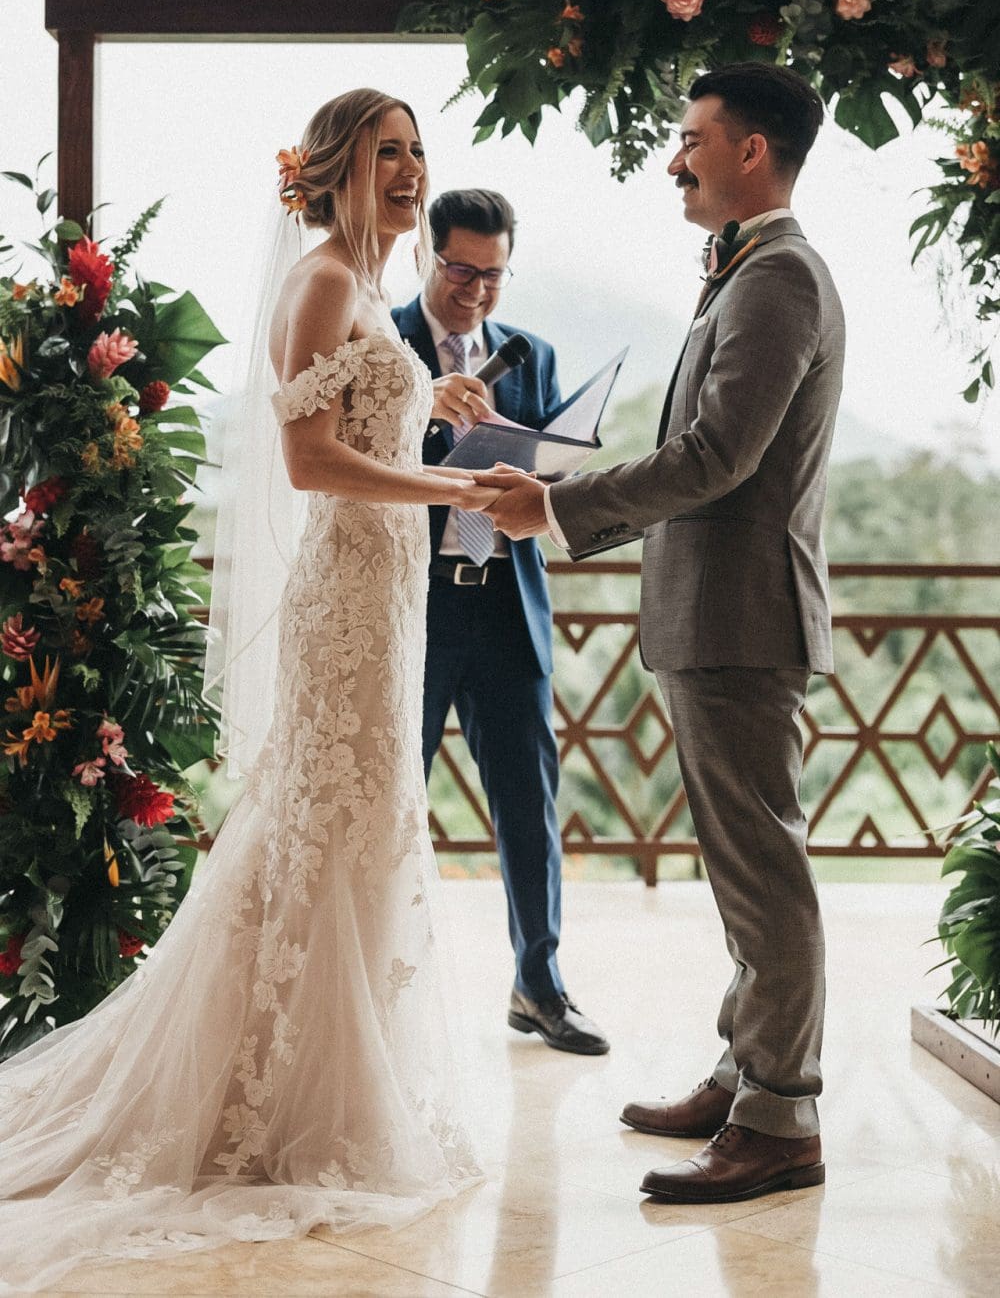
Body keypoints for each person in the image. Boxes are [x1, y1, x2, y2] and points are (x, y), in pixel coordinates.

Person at [0, 89, 498, 1292]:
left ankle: (323, 1078)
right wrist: (457, 488)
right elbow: (310, 461)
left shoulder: (363, 286)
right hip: (349, 594)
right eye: (384, 153)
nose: (408, 171)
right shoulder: (324, 279)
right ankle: (278, 1100)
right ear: (331, 171)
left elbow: (360, 424)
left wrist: (428, 407)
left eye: (416, 151)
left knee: (354, 824)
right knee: (324, 819)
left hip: (386, 592)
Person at [486, 63, 845, 1202]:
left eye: (691, 138)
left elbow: (716, 456)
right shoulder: (750, 270)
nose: (674, 159)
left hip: (743, 618)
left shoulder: (778, 277)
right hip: (718, 616)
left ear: (751, 150)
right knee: (745, 869)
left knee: (764, 872)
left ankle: (780, 1121)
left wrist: (554, 505)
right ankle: (746, 1076)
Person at [392, 190, 609, 1055]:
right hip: (413, 605)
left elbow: (544, 478)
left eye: (494, 274)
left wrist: (554, 470)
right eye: (461, 270)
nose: (477, 291)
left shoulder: (534, 355)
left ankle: (540, 985)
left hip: (506, 602)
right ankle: (384, 986)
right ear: (427, 255)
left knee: (528, 801)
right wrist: (430, 418)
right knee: (393, 798)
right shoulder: (386, 344)